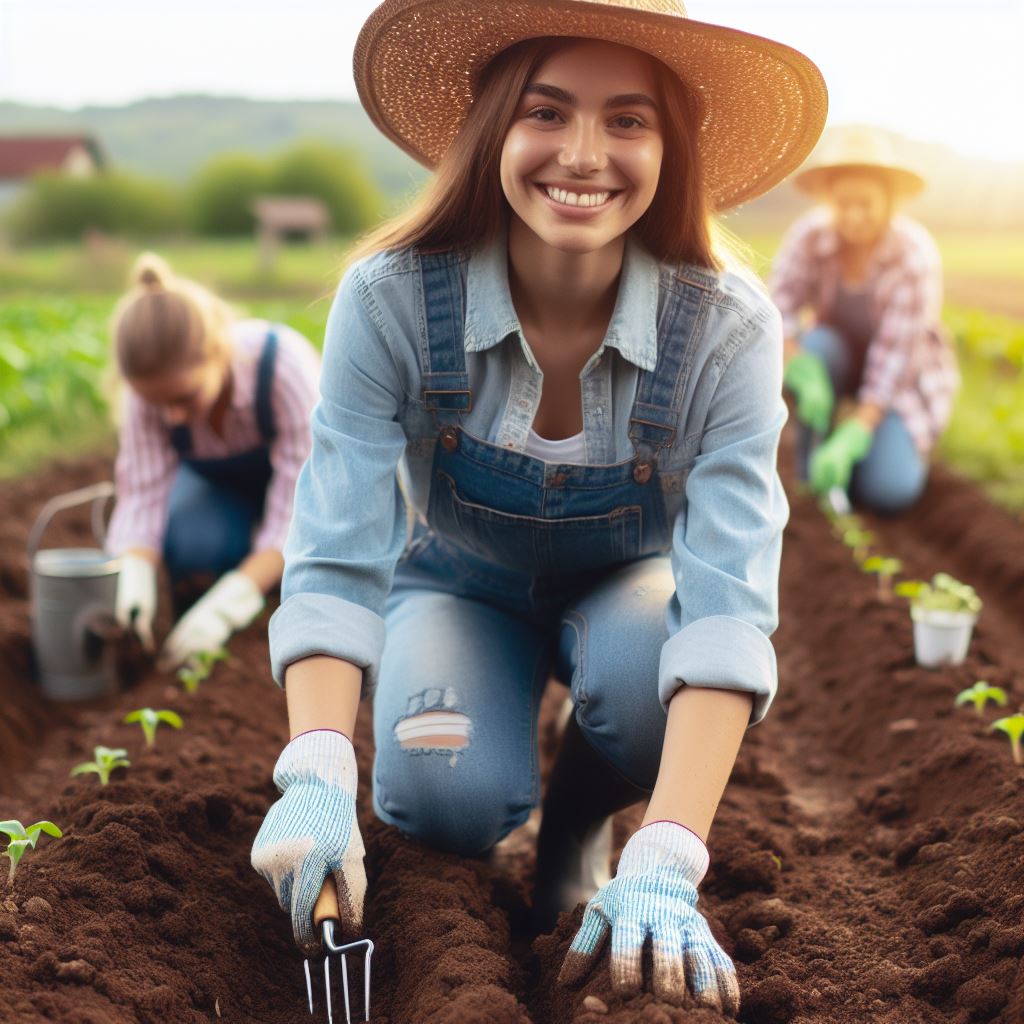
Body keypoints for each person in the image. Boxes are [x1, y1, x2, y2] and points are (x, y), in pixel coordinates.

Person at [251, 0, 826, 1011]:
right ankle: (475, 797)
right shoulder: (390, 299)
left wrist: (671, 848)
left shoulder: (727, 327)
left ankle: (578, 827)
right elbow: (337, 549)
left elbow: (728, 598)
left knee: (652, 686)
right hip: (457, 579)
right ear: (495, 132)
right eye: (547, 112)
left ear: (670, 146)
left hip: (629, 582)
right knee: (441, 797)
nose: (584, 153)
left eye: (629, 120)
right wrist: (317, 766)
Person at [106, 252, 321, 671]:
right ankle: (238, 559)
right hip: (224, 490)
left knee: (312, 569)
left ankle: (263, 582)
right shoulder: (149, 394)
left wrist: (231, 603)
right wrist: (132, 575)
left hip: (305, 489)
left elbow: (304, 508)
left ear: (218, 351)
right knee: (192, 545)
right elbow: (141, 496)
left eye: (184, 399)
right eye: (157, 404)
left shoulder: (283, 369)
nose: (172, 417)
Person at [770, 127, 959, 514]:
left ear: (889, 202)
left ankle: (849, 446)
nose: (854, 215)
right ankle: (812, 459)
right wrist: (799, 365)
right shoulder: (808, 237)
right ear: (828, 200)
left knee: (889, 492)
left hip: (898, 380)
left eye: (866, 203)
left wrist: (858, 429)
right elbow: (778, 310)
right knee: (818, 345)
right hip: (835, 357)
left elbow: (895, 362)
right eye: (844, 203)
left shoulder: (913, 256)